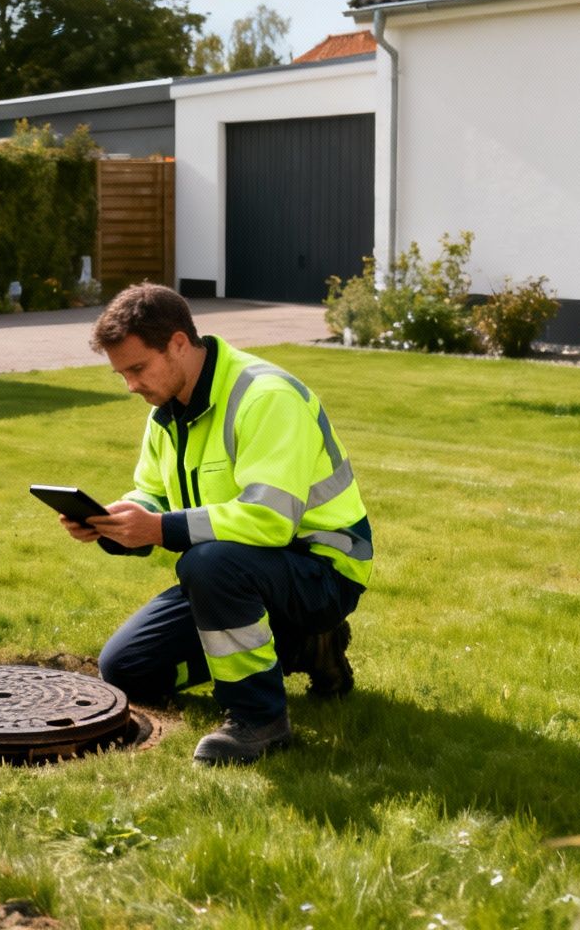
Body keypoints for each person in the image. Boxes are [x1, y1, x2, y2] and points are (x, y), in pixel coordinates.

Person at [61, 284, 372, 765]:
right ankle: (302, 648)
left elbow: (269, 520)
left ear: (180, 344)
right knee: (127, 669)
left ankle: (259, 719)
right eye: (121, 374)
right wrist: (113, 524)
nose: (130, 385)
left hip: (322, 571)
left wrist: (161, 529)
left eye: (137, 368)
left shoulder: (265, 396)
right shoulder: (166, 411)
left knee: (207, 563)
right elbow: (154, 495)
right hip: (239, 571)